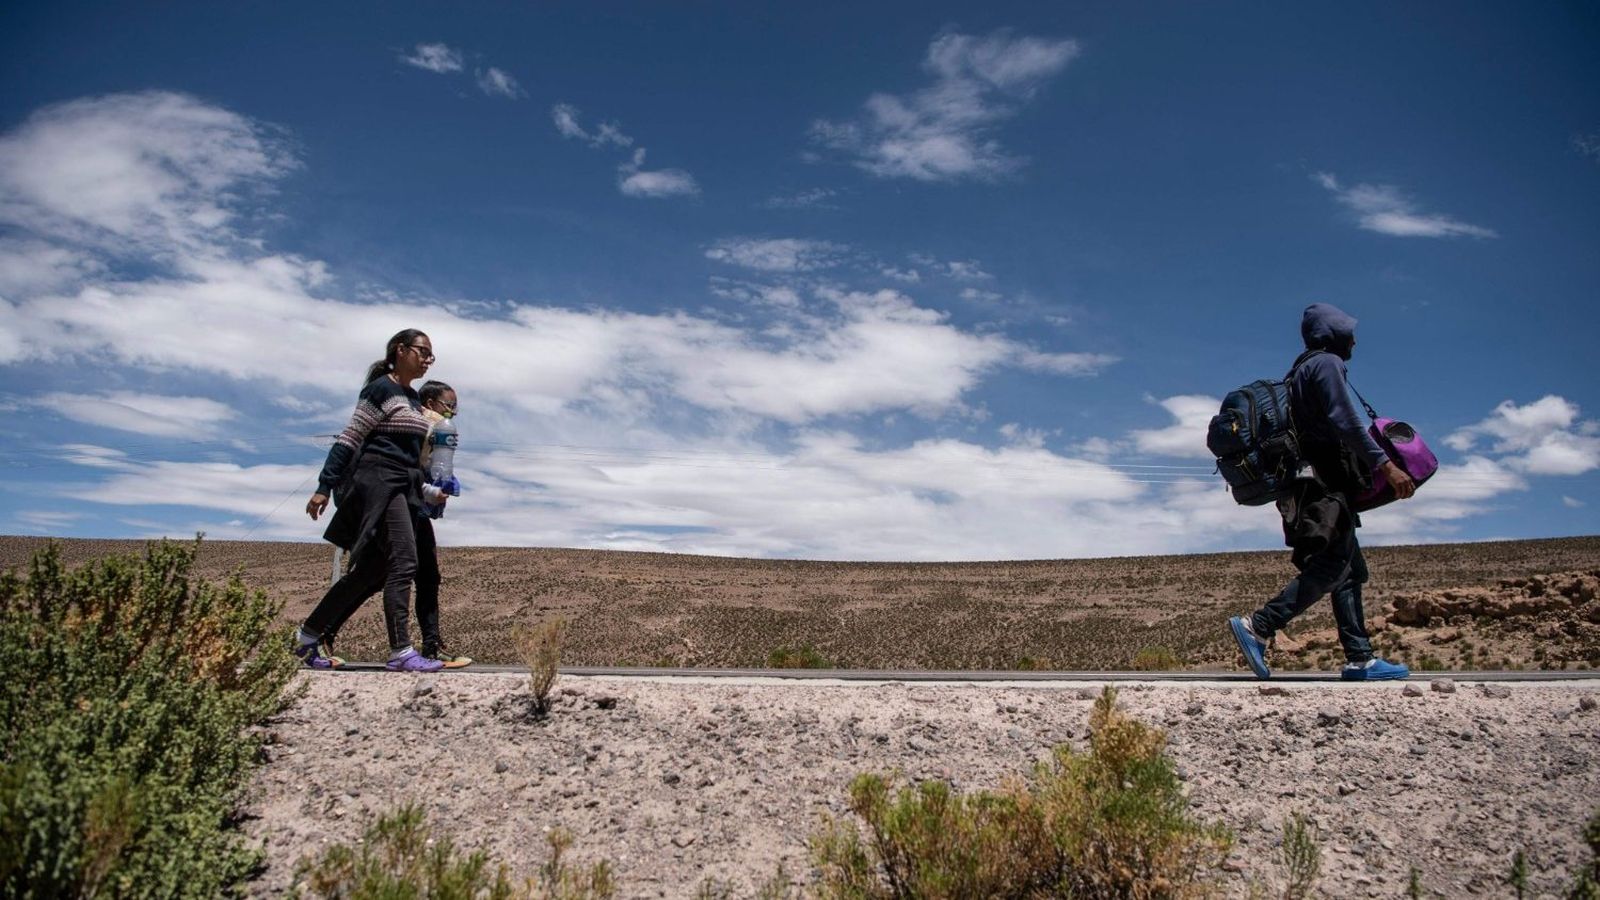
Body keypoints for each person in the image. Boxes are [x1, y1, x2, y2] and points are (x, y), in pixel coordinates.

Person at [1228, 303, 1416, 681]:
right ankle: (1259, 626)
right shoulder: (1327, 364)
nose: (1355, 340)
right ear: (1332, 334)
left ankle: (1359, 658)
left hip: (1307, 484)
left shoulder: (1300, 370)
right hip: (1322, 484)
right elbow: (1345, 420)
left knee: (1348, 571)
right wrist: (1387, 465)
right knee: (1333, 565)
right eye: (1348, 332)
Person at [293, 329, 444, 673]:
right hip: (379, 485)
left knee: (372, 571)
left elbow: (411, 459)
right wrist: (323, 486)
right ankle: (401, 651)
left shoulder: (414, 399)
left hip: (404, 487)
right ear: (400, 350)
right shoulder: (381, 390)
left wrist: (430, 492)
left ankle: (306, 638)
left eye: (431, 355)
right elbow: (350, 438)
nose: (427, 360)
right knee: (405, 561)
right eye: (422, 352)